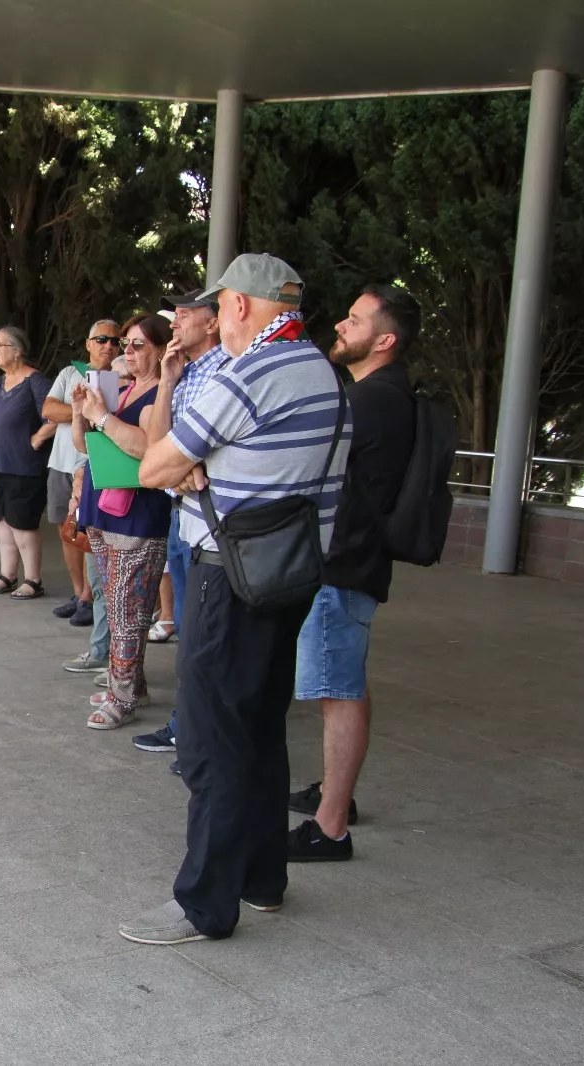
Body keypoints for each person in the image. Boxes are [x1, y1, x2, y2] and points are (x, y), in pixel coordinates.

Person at [120, 253, 350, 946]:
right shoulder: (317, 367)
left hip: (231, 572)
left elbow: (156, 464)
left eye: (218, 307)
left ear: (242, 307)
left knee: (211, 736)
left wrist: (193, 470)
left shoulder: (252, 371)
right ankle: (261, 878)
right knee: (257, 725)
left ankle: (205, 903)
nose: (214, 318)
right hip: (287, 572)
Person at [288, 284, 419, 862]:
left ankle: (331, 826)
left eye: (355, 319)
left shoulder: (376, 399)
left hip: (342, 565)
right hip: (349, 562)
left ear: (384, 339)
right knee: (344, 683)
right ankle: (335, 795)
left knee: (335, 690)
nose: (341, 325)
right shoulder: (376, 393)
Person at [133, 290, 229, 758]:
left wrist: (178, 461)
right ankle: (185, 725)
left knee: (202, 631)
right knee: (192, 632)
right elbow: (157, 449)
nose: (176, 321)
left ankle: (197, 733)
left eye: (186, 314)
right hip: (179, 512)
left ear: (213, 324)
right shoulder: (186, 371)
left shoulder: (226, 370)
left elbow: (193, 453)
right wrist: (168, 381)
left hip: (208, 520)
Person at [73, 313, 173, 730]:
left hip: (137, 516)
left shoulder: (160, 397)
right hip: (105, 509)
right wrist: (83, 411)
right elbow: (84, 444)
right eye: (125, 344)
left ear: (162, 350)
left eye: (137, 346)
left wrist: (100, 417)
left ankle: (122, 695)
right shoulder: (126, 389)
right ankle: (133, 683)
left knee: (128, 610)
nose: (126, 352)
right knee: (116, 607)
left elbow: (149, 449)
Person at [44, 322, 119, 626]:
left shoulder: (124, 374)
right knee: (67, 532)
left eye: (115, 340)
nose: (108, 345)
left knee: (90, 534)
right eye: (101, 339)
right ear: (88, 343)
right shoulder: (69, 373)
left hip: (93, 466)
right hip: (61, 462)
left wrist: (78, 409)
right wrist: (82, 410)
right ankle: (79, 595)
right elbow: (48, 409)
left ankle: (92, 597)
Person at [0, 326, 53, 598]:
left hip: (24, 466)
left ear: (17, 350)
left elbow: (55, 416)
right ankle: (7, 575)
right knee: (4, 523)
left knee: (22, 524)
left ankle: (33, 579)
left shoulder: (36, 382)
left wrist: (37, 437)